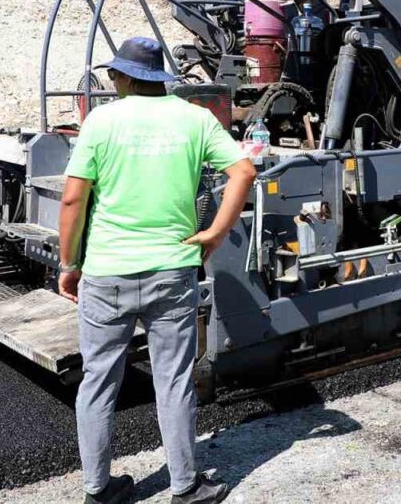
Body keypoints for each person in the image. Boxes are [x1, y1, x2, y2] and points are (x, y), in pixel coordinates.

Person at [57, 37, 256, 504]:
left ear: (126, 78)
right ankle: (185, 487)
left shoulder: (101, 121)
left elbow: (73, 199)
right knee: (173, 379)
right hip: (172, 270)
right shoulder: (194, 118)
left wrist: (69, 265)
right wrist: (215, 234)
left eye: (114, 74)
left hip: (107, 273)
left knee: (98, 380)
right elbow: (244, 172)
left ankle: (98, 490)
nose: (111, 80)